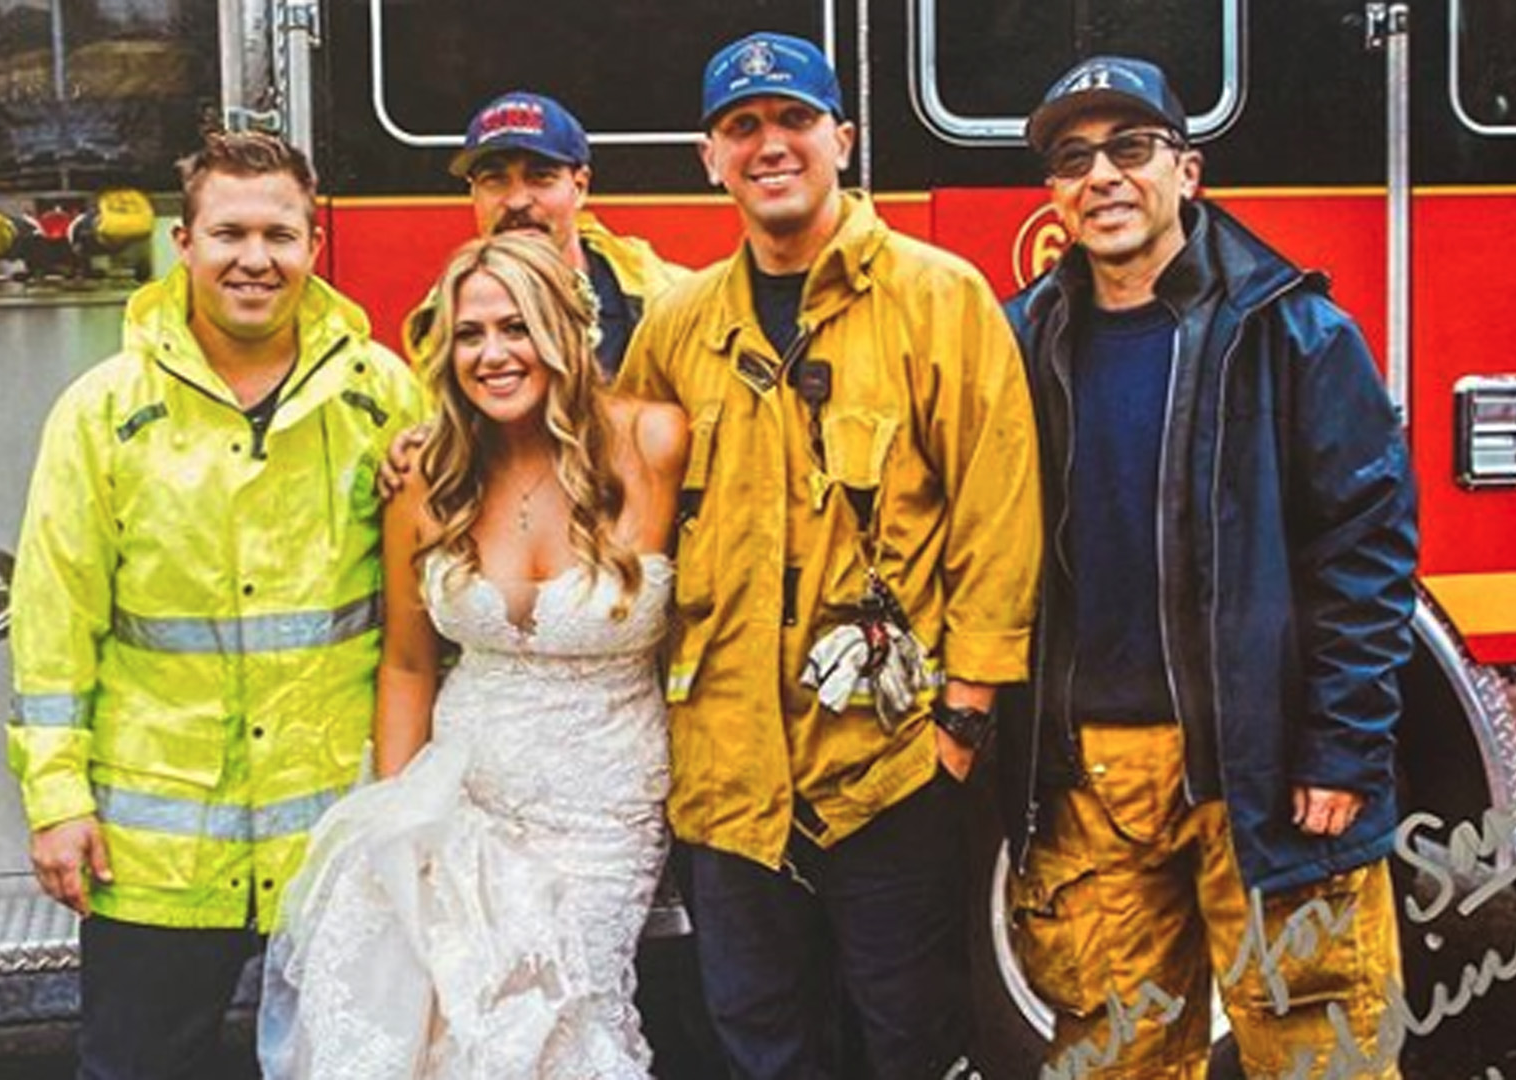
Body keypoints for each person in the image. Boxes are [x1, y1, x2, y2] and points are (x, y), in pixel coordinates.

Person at [614, 31, 1042, 1079]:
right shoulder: (674, 328)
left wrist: (965, 719)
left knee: (910, 1040)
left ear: (841, 140)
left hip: (889, 766)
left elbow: (1000, 506)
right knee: (761, 1039)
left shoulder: (939, 300)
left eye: (794, 120)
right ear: (708, 158)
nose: (770, 145)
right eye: (741, 127)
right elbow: (610, 511)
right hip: (724, 773)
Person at [998, 57, 1419, 1078]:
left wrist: (1340, 748)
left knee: (1325, 1055)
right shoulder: (1017, 343)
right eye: (1073, 157)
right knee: (1115, 1059)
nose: (1101, 176)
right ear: (1052, 195)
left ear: (1187, 172)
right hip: (1091, 784)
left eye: (1129, 150)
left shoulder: (1290, 332)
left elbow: (1366, 549)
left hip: (1263, 773)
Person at [7, 130, 424, 1079]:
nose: (254, 258)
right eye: (228, 232)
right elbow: (54, 620)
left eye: (280, 234)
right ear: (182, 245)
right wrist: (57, 800)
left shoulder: (385, 395)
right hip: (157, 858)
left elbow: (428, 611)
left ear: (314, 247)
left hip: (331, 836)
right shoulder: (101, 411)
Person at [258, 232, 690, 1079]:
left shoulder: (654, 442)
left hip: (604, 813)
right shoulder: (429, 476)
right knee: (455, 1037)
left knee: (567, 1022)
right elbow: (409, 666)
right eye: (469, 334)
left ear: (567, 330)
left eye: (516, 327)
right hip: (460, 801)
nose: (493, 354)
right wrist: (395, 822)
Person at [404, 90, 683, 375]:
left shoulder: (671, 300)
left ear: (580, 186)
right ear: (473, 194)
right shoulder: (441, 323)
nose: (517, 201)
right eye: (495, 180)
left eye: (540, 177)